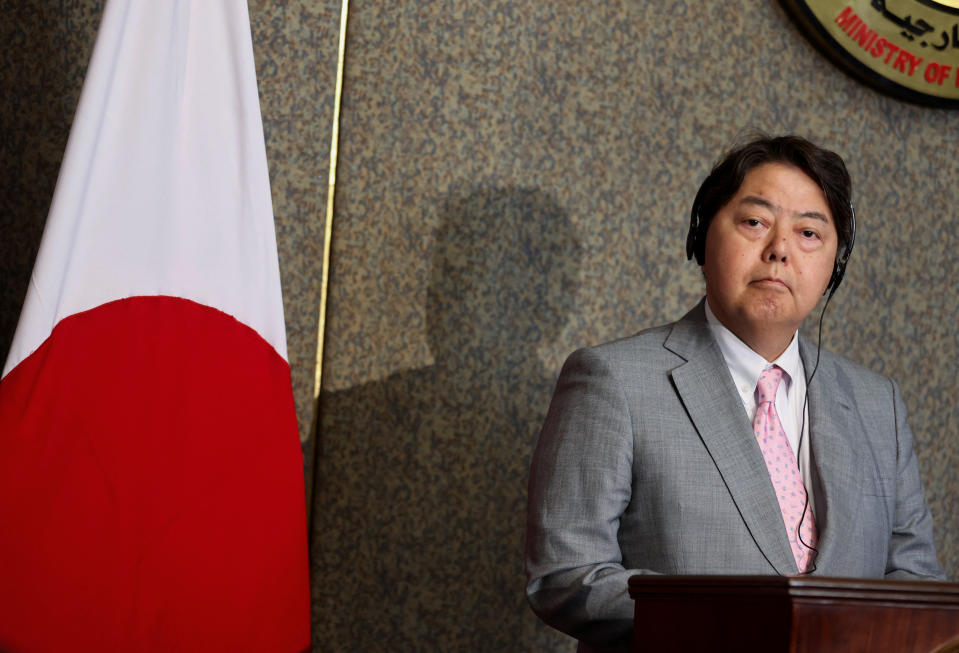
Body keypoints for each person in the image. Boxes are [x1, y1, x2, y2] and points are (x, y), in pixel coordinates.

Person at [524, 135, 945, 652]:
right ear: (702, 239)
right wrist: (755, 625)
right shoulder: (613, 379)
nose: (780, 250)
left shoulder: (878, 403)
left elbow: (915, 578)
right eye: (754, 222)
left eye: (810, 232)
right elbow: (567, 576)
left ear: (836, 264)